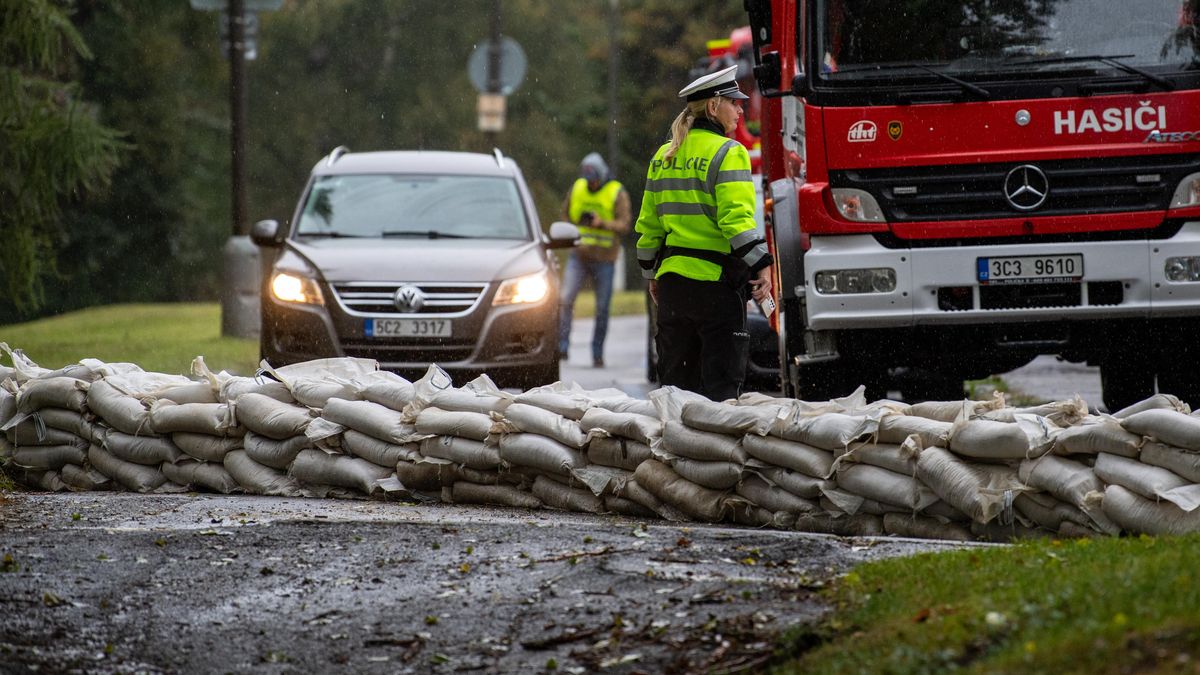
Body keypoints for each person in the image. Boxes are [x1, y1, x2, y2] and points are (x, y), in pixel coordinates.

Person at [634, 64, 774, 401]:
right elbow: (736, 222)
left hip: (672, 289)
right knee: (720, 393)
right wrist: (762, 264)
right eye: (734, 102)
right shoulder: (729, 153)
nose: (741, 110)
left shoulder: (663, 156)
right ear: (713, 106)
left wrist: (652, 275)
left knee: (676, 391)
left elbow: (648, 228)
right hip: (716, 289)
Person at [557, 152, 632, 368]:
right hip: (579, 255)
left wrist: (603, 223)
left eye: (595, 181)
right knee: (565, 299)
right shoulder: (577, 188)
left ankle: (597, 353)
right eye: (589, 181)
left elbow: (625, 224)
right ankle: (562, 347)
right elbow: (564, 215)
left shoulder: (616, 193)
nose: (591, 184)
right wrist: (571, 229)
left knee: (602, 309)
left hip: (605, 259)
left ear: (602, 176)